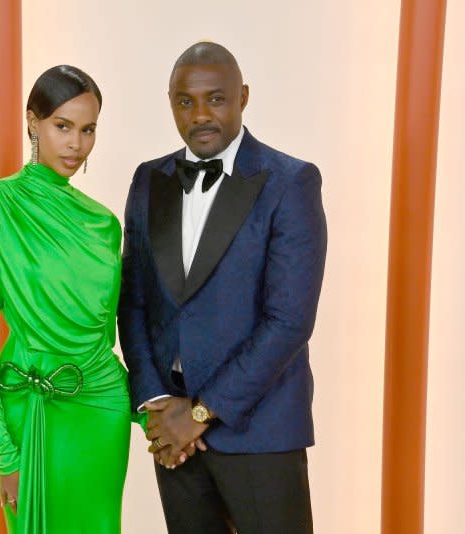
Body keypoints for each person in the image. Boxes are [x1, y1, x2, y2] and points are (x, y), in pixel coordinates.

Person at [118, 42, 327, 533]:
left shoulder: (290, 181)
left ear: (244, 97)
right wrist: (155, 403)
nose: (201, 115)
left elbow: (289, 320)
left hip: (260, 433)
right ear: (170, 103)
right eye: (185, 101)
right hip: (172, 435)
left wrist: (202, 412)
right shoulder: (150, 180)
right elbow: (133, 301)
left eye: (216, 98)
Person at [0, 65, 135, 534]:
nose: (76, 143)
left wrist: (158, 412)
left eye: (88, 129)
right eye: (63, 126)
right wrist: (3, 451)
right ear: (33, 122)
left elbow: (111, 333)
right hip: (27, 414)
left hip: (100, 412)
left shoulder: (104, 224)